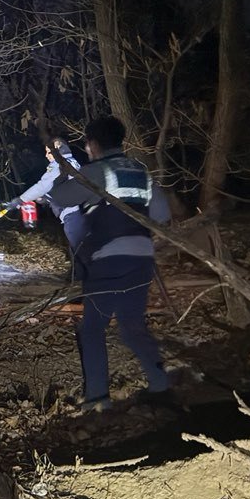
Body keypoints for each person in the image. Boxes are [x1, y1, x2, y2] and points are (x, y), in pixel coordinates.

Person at [48, 116, 170, 412]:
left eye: (88, 144)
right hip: (141, 259)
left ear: (92, 144)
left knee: (92, 328)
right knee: (132, 326)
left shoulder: (97, 171)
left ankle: (97, 399)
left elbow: (59, 196)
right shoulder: (140, 172)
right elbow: (162, 213)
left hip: (107, 261)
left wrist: (66, 171)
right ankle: (160, 385)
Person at [3, 138, 85, 254]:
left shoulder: (59, 164)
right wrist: (46, 198)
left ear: (57, 149)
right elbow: (64, 185)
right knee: (82, 249)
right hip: (79, 212)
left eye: (49, 152)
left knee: (80, 252)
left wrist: (21, 199)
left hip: (72, 214)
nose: (46, 156)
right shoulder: (72, 161)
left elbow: (43, 185)